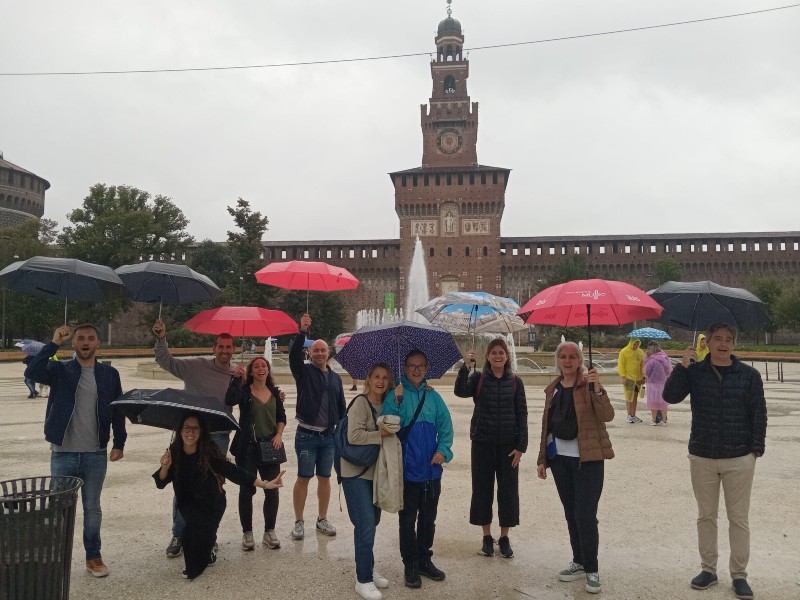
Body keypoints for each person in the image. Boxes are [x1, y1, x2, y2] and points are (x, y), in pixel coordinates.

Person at [663, 324, 766, 600]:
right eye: (717, 339)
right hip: (702, 454)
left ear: (734, 344)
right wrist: (682, 367)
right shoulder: (695, 372)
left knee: (738, 518)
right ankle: (708, 569)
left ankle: (739, 575)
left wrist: (755, 450)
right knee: (706, 516)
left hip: (739, 456)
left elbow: (759, 414)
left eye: (728, 339)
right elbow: (670, 397)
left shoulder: (750, 375)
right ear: (706, 342)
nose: (723, 344)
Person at [24, 324, 127, 578]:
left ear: (97, 344)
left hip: (95, 453)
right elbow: (32, 370)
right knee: (59, 508)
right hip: (63, 452)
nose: (85, 342)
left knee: (92, 507)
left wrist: (119, 442)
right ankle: (54, 558)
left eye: (91, 338)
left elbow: (118, 409)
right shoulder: (60, 370)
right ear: (74, 343)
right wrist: (54, 342)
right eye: (80, 338)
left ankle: (93, 556)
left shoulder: (109, 374)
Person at [154, 412, 284, 580]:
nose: (190, 432)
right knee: (188, 537)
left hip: (211, 504)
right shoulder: (174, 452)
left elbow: (234, 472)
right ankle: (205, 548)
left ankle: (206, 547)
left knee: (199, 553)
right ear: (180, 430)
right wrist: (165, 466)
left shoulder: (208, 452)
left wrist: (265, 484)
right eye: (187, 428)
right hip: (188, 505)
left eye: (195, 429)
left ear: (201, 432)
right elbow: (161, 482)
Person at [152, 318, 237, 558]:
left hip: (218, 437)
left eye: (229, 347)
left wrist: (277, 393)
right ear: (214, 348)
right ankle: (179, 533)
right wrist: (161, 338)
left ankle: (209, 535)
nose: (224, 351)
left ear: (234, 350)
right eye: (221, 346)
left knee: (214, 487)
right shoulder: (196, 365)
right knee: (182, 484)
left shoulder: (237, 374)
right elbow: (165, 360)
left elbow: (257, 393)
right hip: (189, 435)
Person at [536, 341, 614, 595]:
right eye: (563, 357)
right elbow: (546, 427)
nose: (568, 361)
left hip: (588, 459)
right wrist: (542, 459)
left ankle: (592, 568)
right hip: (561, 460)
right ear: (558, 360)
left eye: (573, 357)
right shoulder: (554, 389)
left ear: (580, 360)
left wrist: (598, 388)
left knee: (585, 515)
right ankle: (578, 561)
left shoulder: (588, 385)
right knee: (571, 513)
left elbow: (607, 415)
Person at [383, 350, 454, 589]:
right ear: (404, 367)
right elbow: (386, 426)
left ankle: (425, 560)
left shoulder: (433, 397)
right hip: (407, 471)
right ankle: (410, 564)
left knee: (428, 520)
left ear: (426, 368)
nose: (416, 370)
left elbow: (446, 426)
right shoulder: (396, 395)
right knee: (407, 521)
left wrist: (444, 450)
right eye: (411, 366)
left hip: (431, 471)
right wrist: (395, 402)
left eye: (420, 366)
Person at [454, 339, 527, 559]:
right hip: (482, 443)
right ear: (488, 356)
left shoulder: (516, 381)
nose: (497, 356)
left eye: (501, 353)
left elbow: (521, 415)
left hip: (508, 446)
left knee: (508, 493)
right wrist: (465, 367)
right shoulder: (478, 378)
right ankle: (486, 537)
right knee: (482, 490)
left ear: (507, 357)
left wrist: (521, 447)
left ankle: (504, 537)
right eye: (493, 353)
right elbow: (460, 392)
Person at [289, 313, 346, 540]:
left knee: (325, 478)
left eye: (323, 350)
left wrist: (342, 433)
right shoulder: (303, 372)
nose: (320, 353)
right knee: (303, 477)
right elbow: (293, 355)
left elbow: (341, 407)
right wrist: (302, 331)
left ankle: (322, 518)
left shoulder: (336, 378)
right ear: (309, 353)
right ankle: (298, 521)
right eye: (316, 350)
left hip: (328, 436)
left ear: (329, 354)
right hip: (306, 435)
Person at [341, 363, 396, 600]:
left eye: (385, 377)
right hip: (354, 472)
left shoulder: (388, 403)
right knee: (365, 525)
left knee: (371, 522)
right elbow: (353, 435)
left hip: (374, 473)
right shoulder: (361, 403)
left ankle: (368, 569)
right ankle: (362, 580)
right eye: (376, 377)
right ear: (369, 379)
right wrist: (380, 434)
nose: (381, 381)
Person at [226, 356, 286, 551]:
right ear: (251, 371)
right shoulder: (244, 392)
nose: (261, 368)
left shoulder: (276, 393)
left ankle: (270, 531)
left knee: (273, 489)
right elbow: (229, 399)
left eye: (264, 366)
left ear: (268, 370)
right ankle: (247, 532)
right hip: (247, 447)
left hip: (270, 446)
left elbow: (281, 416)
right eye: (257, 366)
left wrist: (279, 434)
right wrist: (236, 378)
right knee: (247, 490)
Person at [643, 341, 672, 426]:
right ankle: (664, 421)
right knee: (663, 402)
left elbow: (647, 372)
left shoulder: (651, 360)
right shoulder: (665, 358)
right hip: (663, 383)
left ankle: (654, 420)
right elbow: (668, 370)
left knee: (653, 403)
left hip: (653, 383)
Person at [618, 338, 645, 423]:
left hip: (638, 378)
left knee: (635, 396)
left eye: (637, 344)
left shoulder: (640, 352)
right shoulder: (624, 351)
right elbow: (621, 364)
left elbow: (643, 365)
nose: (636, 345)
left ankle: (633, 415)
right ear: (631, 343)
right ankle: (629, 415)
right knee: (629, 397)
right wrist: (623, 377)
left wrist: (644, 377)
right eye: (635, 344)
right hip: (628, 378)